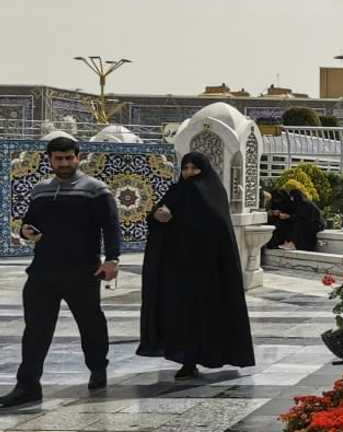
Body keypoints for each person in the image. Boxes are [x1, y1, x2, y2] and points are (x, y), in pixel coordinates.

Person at [0, 136, 120, 408]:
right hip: (43, 270)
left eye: (69, 158)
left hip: (82, 271)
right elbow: (29, 222)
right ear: (50, 159)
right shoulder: (41, 189)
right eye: (58, 158)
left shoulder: (95, 189)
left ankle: (97, 367)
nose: (64, 163)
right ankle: (28, 386)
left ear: (78, 157)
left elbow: (111, 227)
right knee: (36, 330)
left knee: (90, 323)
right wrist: (26, 231)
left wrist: (112, 259)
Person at [137, 152, 255, 379]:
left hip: (207, 270)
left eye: (194, 168)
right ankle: (188, 361)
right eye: (186, 168)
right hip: (179, 268)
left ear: (205, 169)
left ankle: (206, 356)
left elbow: (214, 225)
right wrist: (157, 216)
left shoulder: (212, 192)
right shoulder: (178, 190)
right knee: (181, 317)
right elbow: (158, 217)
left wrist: (177, 218)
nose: (189, 173)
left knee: (206, 316)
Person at [286, 187, 324, 252]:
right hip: (310, 222)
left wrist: (289, 216)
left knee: (299, 224)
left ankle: (293, 244)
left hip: (316, 224)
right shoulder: (301, 203)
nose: (291, 199)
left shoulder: (305, 204)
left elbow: (301, 217)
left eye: (292, 197)